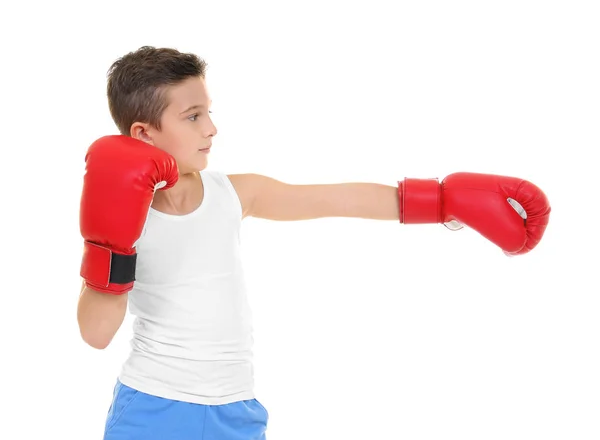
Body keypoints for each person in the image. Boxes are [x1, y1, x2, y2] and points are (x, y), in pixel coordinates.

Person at [77, 46, 551, 440]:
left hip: (235, 407)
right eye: (193, 116)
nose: (212, 128)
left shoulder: (233, 193)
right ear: (143, 134)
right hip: (154, 406)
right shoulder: (122, 218)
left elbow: (333, 198)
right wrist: (114, 242)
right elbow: (96, 334)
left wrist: (443, 202)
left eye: (209, 112)